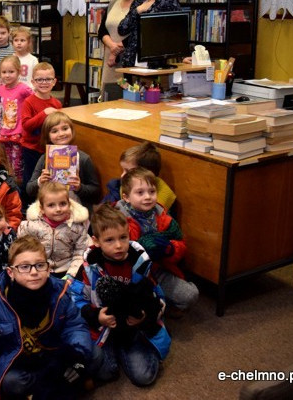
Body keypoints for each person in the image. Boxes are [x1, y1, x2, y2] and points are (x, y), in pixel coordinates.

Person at [0, 236, 92, 399]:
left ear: (48, 268)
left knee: (94, 355)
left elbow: (74, 326)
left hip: (52, 353)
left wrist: (78, 356)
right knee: (11, 383)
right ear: (10, 272)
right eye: (25, 267)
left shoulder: (59, 291)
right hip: (21, 361)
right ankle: (54, 382)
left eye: (40, 265)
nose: (34, 272)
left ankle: (54, 381)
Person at [68, 204, 171, 387]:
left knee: (144, 376)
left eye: (123, 238)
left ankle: (133, 351)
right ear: (96, 241)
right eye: (109, 240)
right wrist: (96, 316)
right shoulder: (87, 267)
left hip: (133, 329)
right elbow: (75, 299)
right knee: (107, 371)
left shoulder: (139, 262)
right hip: (103, 329)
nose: (118, 245)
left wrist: (145, 317)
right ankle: (118, 352)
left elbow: (158, 298)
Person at [115, 168, 198, 313]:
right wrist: (141, 248)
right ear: (126, 197)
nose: (147, 197)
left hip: (157, 270)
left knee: (190, 295)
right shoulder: (117, 219)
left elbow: (181, 245)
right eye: (140, 192)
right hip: (127, 274)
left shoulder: (164, 218)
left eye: (152, 192)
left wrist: (169, 248)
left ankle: (163, 302)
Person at [27, 112, 101, 209]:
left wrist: (79, 187)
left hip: (76, 210)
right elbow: (29, 190)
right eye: (54, 131)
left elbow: (96, 192)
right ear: (48, 136)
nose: (61, 134)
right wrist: (40, 181)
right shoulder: (45, 159)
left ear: (72, 130)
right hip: (50, 210)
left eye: (65, 129)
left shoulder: (83, 159)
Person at [18, 182, 91, 277]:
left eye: (63, 204)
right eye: (51, 205)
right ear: (42, 208)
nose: (58, 209)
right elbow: (22, 248)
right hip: (38, 269)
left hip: (67, 270)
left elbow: (79, 253)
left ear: (69, 204)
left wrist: (72, 274)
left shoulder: (77, 228)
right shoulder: (30, 226)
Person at [102, 141, 177, 211]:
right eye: (123, 170)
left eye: (128, 171)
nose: (122, 175)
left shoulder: (165, 200)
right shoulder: (117, 187)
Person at [0, 55, 34, 178]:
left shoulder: (23, 88)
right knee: (7, 160)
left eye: (11, 72)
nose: (7, 75)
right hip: (5, 131)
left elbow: (33, 99)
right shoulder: (1, 89)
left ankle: (18, 184)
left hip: (18, 131)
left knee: (17, 161)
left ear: (19, 72)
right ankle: (11, 180)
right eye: (4, 72)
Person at [117, 0, 182, 67]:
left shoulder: (169, 2)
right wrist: (138, 10)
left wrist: (184, 57)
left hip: (154, 60)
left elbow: (179, 31)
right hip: (131, 60)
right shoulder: (138, 2)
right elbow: (122, 29)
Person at [97, 0, 132, 100]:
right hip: (110, 61)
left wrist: (116, 51)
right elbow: (102, 30)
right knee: (109, 97)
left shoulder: (140, 5)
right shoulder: (113, 3)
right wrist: (112, 47)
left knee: (128, 98)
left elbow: (138, 33)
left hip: (128, 60)